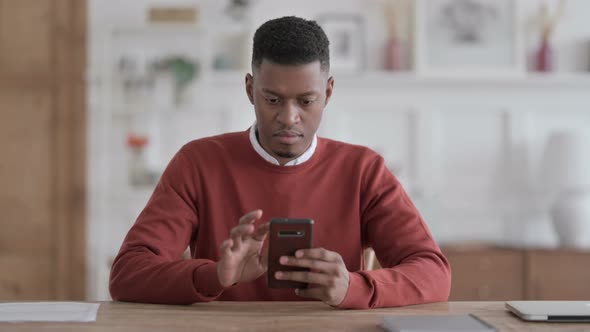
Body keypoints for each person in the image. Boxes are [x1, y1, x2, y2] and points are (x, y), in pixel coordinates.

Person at [109, 16, 451, 309]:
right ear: (249, 88)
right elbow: (128, 274)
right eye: (272, 99)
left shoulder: (363, 169)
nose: (289, 118)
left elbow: (434, 274)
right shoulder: (197, 163)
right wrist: (214, 275)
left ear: (328, 92)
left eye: (306, 101)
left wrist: (353, 287)